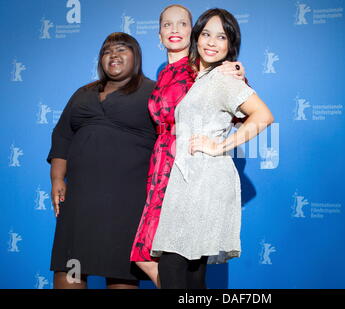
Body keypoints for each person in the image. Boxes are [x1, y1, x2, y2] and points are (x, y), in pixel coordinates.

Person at [150, 8, 274, 289]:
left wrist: (221, 146)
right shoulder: (202, 79)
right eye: (206, 34)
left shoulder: (224, 78)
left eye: (221, 37)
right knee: (191, 270)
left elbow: (263, 116)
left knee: (174, 263)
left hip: (205, 179)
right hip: (186, 178)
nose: (211, 42)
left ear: (231, 45)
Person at [130, 4, 245, 288]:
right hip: (160, 165)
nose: (174, 30)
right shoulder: (163, 77)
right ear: (158, 35)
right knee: (160, 257)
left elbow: (243, 112)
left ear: (192, 32)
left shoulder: (204, 68)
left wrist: (219, 143)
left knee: (181, 259)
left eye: (182, 24)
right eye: (167, 25)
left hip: (187, 166)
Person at [47, 32, 157, 289]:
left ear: (136, 57)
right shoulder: (83, 93)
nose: (114, 55)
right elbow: (62, 136)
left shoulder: (153, 92)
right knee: (70, 266)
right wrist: (57, 178)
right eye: (107, 51)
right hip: (80, 199)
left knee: (120, 270)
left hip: (128, 200)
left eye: (122, 49)